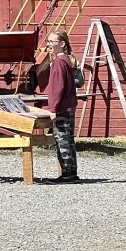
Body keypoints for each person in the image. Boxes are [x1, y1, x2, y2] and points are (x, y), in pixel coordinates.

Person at [36, 29, 80, 182]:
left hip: (61, 108)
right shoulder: (67, 60)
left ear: (62, 44)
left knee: (62, 141)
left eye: (52, 42)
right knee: (69, 140)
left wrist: (52, 108)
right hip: (69, 106)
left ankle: (67, 175)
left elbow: (57, 88)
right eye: (48, 42)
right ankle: (72, 173)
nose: (49, 45)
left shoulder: (59, 63)